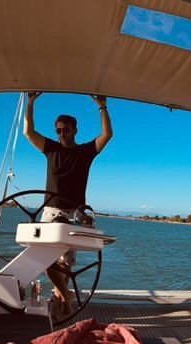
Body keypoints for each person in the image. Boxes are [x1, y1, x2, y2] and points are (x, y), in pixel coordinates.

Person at [23, 91, 113, 321]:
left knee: (66, 263)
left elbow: (107, 135)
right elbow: (28, 132)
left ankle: (61, 296)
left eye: (66, 129)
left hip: (74, 216)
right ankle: (67, 296)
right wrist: (30, 103)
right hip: (51, 213)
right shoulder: (51, 149)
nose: (61, 133)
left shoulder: (85, 153)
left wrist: (102, 107)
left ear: (75, 130)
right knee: (47, 261)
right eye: (58, 130)